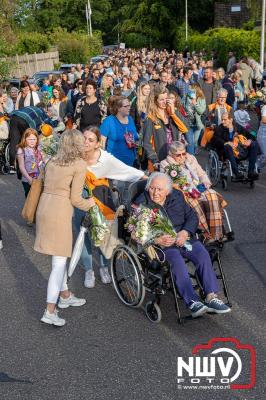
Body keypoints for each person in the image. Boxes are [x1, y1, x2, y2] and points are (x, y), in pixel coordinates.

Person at [134, 172, 231, 318]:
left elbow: (192, 216)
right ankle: (192, 301)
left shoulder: (177, 196)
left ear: (168, 190)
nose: (155, 192)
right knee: (176, 259)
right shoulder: (142, 203)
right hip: (161, 245)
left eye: (159, 189)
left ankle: (211, 297)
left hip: (183, 238)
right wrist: (157, 240)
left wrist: (185, 232)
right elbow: (136, 231)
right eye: (152, 188)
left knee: (202, 253)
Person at [35, 129, 95, 327]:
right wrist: (92, 203)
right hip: (60, 212)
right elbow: (76, 199)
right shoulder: (79, 164)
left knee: (56, 259)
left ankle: (65, 295)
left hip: (44, 207)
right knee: (59, 263)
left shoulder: (52, 160)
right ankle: (50, 310)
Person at [74, 126, 145, 288]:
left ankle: (104, 267)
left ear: (98, 144)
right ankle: (88, 270)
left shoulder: (106, 159)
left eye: (90, 140)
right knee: (82, 236)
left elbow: (126, 170)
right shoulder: (75, 156)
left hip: (102, 200)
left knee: (103, 234)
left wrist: (147, 177)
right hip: (79, 201)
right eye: (84, 138)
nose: (85, 142)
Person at [160, 141, 227, 241]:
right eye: (178, 155)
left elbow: (201, 173)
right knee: (194, 204)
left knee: (212, 195)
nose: (182, 157)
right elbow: (167, 185)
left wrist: (206, 182)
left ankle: (217, 234)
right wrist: (182, 187)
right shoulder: (165, 164)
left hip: (198, 188)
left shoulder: (191, 158)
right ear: (171, 154)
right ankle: (206, 234)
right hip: (184, 193)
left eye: (184, 153)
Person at [142, 85, 189, 171]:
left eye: (166, 99)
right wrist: (154, 160)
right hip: (160, 160)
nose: (165, 102)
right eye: (161, 100)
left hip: (175, 158)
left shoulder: (172, 112)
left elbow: (185, 129)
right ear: (155, 101)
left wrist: (173, 114)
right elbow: (146, 143)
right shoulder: (150, 118)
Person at [9, 104, 58, 173]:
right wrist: (57, 121)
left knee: (14, 141)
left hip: (14, 117)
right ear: (44, 109)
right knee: (27, 142)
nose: (47, 113)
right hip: (24, 120)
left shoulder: (31, 107)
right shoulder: (41, 111)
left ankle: (12, 166)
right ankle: (26, 165)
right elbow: (49, 123)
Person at [211, 112, 259, 180]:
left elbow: (249, 135)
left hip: (239, 151)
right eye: (222, 119)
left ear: (231, 120)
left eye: (225, 119)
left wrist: (250, 140)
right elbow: (214, 140)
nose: (222, 121)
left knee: (254, 144)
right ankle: (236, 173)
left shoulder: (237, 127)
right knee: (228, 146)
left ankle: (251, 172)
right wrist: (226, 143)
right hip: (226, 153)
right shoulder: (219, 128)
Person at [100, 95, 139, 167]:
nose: (129, 108)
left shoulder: (130, 119)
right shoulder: (108, 121)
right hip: (114, 164)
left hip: (131, 163)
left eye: (129, 105)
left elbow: (135, 137)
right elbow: (101, 144)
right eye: (126, 106)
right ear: (118, 108)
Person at [16, 128, 43, 197]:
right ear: (25, 139)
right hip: (27, 179)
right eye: (30, 139)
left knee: (40, 198)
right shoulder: (21, 150)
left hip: (39, 178)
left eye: (34, 139)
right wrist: (29, 179)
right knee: (30, 198)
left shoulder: (39, 148)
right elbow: (21, 166)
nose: (32, 141)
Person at [183, 83, 206, 154]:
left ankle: (195, 149)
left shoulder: (201, 98)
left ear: (196, 89)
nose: (189, 90)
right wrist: (184, 112)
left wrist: (195, 103)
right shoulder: (186, 96)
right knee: (190, 142)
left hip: (197, 123)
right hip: (188, 123)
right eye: (189, 89)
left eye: (191, 89)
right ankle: (191, 158)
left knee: (195, 141)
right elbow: (182, 106)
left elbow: (201, 111)